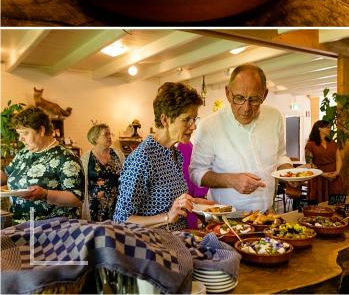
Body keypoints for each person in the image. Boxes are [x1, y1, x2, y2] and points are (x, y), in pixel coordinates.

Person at [190, 64, 294, 213]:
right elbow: (196, 173)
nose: (246, 108)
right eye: (239, 98)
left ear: (264, 95)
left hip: (267, 215)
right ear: (227, 93)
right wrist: (230, 180)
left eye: (254, 99)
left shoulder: (274, 117)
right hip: (225, 219)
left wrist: (291, 173)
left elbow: (280, 156)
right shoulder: (209, 126)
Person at [113, 83, 212, 230]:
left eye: (194, 119)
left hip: (178, 241)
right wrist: (167, 217)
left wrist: (193, 203)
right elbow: (121, 219)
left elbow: (168, 202)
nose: (193, 126)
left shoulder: (175, 153)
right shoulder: (143, 158)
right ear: (165, 119)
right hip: (155, 247)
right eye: (186, 120)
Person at [0, 107, 83, 220]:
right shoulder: (24, 153)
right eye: (19, 134)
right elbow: (6, 174)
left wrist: (45, 194)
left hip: (53, 228)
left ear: (41, 130)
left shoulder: (66, 157)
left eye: (25, 133)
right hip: (21, 225)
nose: (20, 139)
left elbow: (76, 198)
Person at [80, 123, 124, 221]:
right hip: (94, 206)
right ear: (95, 138)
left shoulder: (118, 154)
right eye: (106, 134)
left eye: (110, 134)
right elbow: (81, 183)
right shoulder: (85, 158)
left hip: (117, 204)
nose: (109, 137)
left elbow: (126, 177)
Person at [303, 121, 344, 204]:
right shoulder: (310, 145)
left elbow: (338, 159)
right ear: (319, 129)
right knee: (319, 204)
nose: (329, 129)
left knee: (336, 205)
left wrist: (337, 172)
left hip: (334, 177)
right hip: (318, 177)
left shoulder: (333, 143)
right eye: (327, 127)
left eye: (330, 127)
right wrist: (323, 174)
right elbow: (310, 163)